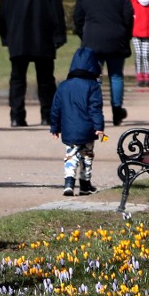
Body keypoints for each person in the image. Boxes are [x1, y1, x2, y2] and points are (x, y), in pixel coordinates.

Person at [0, 0, 67, 127]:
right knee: (45, 80)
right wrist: (59, 36)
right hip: (43, 36)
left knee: (17, 78)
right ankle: (47, 115)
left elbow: (3, 9)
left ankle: (17, 116)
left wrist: (5, 35)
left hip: (18, 37)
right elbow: (56, 10)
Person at [73, 0, 133, 126]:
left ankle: (95, 110)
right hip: (116, 38)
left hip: (92, 38)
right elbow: (128, 17)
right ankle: (116, 110)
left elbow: (78, 17)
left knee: (94, 77)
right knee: (116, 75)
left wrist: (83, 35)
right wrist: (125, 35)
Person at [49, 47, 105, 197]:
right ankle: (85, 184)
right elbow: (95, 109)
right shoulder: (93, 86)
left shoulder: (64, 86)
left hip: (69, 129)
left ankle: (69, 183)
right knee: (87, 155)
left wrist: (55, 127)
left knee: (71, 155)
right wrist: (99, 127)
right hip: (88, 129)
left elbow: (56, 108)